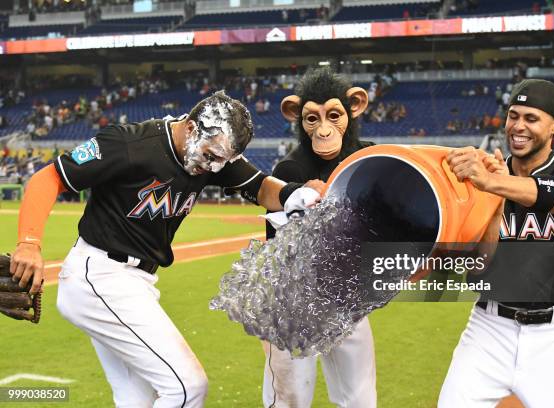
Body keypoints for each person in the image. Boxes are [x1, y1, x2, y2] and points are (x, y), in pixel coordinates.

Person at [9, 91, 324, 408]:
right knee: (188, 387)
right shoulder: (131, 144)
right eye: (211, 156)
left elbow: (257, 185)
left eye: (222, 161)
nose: (214, 168)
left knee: (137, 400)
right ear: (190, 128)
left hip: (136, 283)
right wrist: (29, 243)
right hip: (100, 276)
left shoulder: (213, 150)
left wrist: (292, 196)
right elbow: (48, 178)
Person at [440, 79, 554, 407]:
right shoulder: (486, 177)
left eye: (531, 118)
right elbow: (481, 262)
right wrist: (493, 199)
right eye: (514, 115)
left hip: (552, 339)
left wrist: (496, 182)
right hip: (487, 330)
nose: (518, 126)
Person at [262, 68, 377, 408]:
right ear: (297, 116)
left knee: (360, 398)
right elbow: (276, 249)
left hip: (349, 297)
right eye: (312, 119)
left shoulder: (370, 158)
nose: (324, 129)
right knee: (288, 398)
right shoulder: (290, 170)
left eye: (333, 116)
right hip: (296, 298)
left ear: (354, 107)